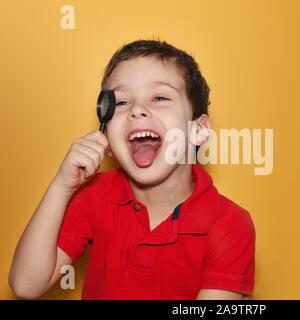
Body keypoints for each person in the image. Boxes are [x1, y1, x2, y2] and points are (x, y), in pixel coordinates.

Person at [8, 39, 255, 300]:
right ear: (109, 142)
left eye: (159, 97)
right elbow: (26, 285)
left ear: (199, 130)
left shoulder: (229, 224)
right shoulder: (94, 196)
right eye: (122, 103)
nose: (137, 110)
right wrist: (62, 186)